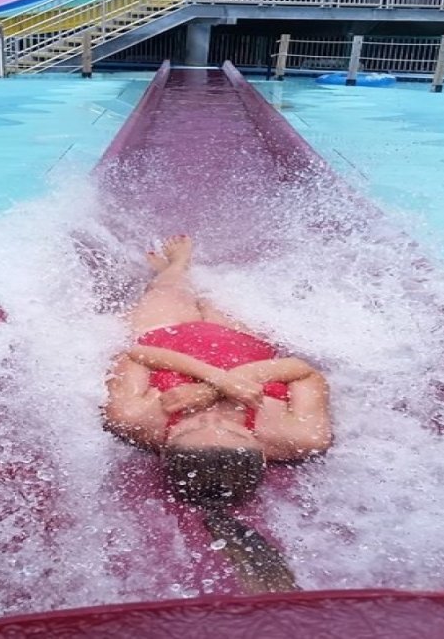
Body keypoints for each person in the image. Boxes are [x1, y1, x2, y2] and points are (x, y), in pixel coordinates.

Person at [103, 235, 332, 591]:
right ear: (261, 448)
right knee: (217, 301)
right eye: (233, 428)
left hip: (166, 337)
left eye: (194, 425)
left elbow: (135, 353)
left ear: (166, 442)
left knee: (170, 293)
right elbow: (304, 371)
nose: (212, 414)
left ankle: (174, 269)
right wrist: (227, 382)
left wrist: (211, 381)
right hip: (243, 346)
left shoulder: (135, 419)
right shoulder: (300, 436)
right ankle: (184, 275)